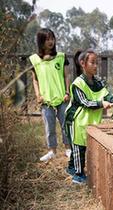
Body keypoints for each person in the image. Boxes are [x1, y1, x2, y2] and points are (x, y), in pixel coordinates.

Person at [65, 48, 113, 184]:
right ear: (83, 63)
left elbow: (107, 96)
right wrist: (101, 103)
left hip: (88, 121)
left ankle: (70, 168)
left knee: (83, 146)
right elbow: (85, 102)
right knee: (78, 147)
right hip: (75, 120)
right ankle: (78, 175)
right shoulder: (77, 83)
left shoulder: (98, 82)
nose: (95, 66)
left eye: (97, 63)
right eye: (92, 63)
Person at [29, 28, 71, 162]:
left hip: (62, 98)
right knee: (49, 126)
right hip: (46, 101)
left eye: (52, 38)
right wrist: (38, 95)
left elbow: (66, 76)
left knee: (66, 124)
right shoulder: (34, 59)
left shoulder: (61, 57)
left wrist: (67, 92)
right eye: (47, 39)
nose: (51, 42)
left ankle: (68, 149)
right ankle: (52, 151)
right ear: (41, 41)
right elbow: (34, 79)